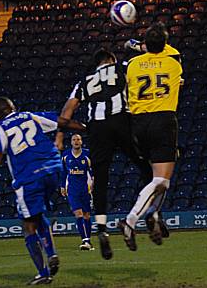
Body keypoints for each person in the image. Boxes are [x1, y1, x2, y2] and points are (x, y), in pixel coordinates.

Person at [55, 48, 152, 260]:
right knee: (145, 166)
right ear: (111, 60)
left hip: (97, 128)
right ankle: (153, 213)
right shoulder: (122, 68)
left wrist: (78, 130)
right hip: (121, 120)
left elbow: (64, 117)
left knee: (100, 180)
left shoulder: (84, 81)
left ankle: (101, 230)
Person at [0, 96, 85, 285]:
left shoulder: (1, 129)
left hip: (29, 177)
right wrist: (82, 128)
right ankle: (51, 255)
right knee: (37, 216)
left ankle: (44, 272)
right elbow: (61, 121)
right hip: (53, 169)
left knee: (28, 225)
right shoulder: (30, 116)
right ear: (13, 106)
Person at [118, 22, 183, 250]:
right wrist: (138, 44)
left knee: (156, 179)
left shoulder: (132, 65)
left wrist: (135, 46)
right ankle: (131, 220)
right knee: (162, 181)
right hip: (163, 119)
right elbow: (160, 49)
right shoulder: (173, 60)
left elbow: (146, 53)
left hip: (138, 124)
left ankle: (154, 215)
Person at [61, 134, 94, 251]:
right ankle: (85, 240)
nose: (76, 141)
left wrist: (93, 182)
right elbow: (63, 172)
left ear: (81, 142)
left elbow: (92, 170)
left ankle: (88, 239)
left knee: (86, 215)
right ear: (71, 142)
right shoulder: (65, 155)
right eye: (74, 139)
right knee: (78, 214)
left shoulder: (87, 154)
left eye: (78, 139)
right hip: (72, 190)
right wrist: (62, 186)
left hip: (85, 189)